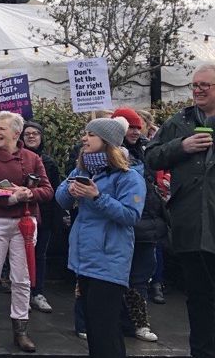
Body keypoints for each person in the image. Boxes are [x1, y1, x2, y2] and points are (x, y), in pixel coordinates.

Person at [56, 118, 145, 358]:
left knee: (105, 328)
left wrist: (97, 197)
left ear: (107, 142)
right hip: (84, 259)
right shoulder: (83, 169)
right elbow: (61, 199)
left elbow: (131, 215)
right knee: (94, 328)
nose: (84, 138)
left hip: (109, 261)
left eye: (91, 135)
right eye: (85, 133)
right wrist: (69, 189)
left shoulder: (129, 176)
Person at [145, 64, 215, 358]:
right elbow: (150, 157)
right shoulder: (180, 121)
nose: (197, 90)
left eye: (205, 85)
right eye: (194, 85)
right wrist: (181, 146)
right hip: (190, 225)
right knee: (199, 299)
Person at [0, 111, 52, 354]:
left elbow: (47, 190)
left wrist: (29, 194)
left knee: (22, 278)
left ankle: (21, 331)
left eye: (1, 129)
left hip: (25, 225)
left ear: (16, 134)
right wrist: (10, 196)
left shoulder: (32, 158)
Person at [113, 108, 164, 343]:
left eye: (137, 126)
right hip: (124, 225)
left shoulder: (148, 149)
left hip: (148, 223)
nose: (134, 131)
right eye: (129, 127)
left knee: (141, 277)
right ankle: (119, 322)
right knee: (119, 278)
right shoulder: (110, 153)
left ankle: (139, 323)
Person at [21, 121, 62, 314]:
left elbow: (54, 193)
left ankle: (37, 292)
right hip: (20, 216)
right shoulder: (16, 159)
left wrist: (55, 221)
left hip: (42, 218)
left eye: (35, 133)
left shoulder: (49, 163)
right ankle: (22, 293)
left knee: (40, 256)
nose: (31, 136)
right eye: (27, 133)